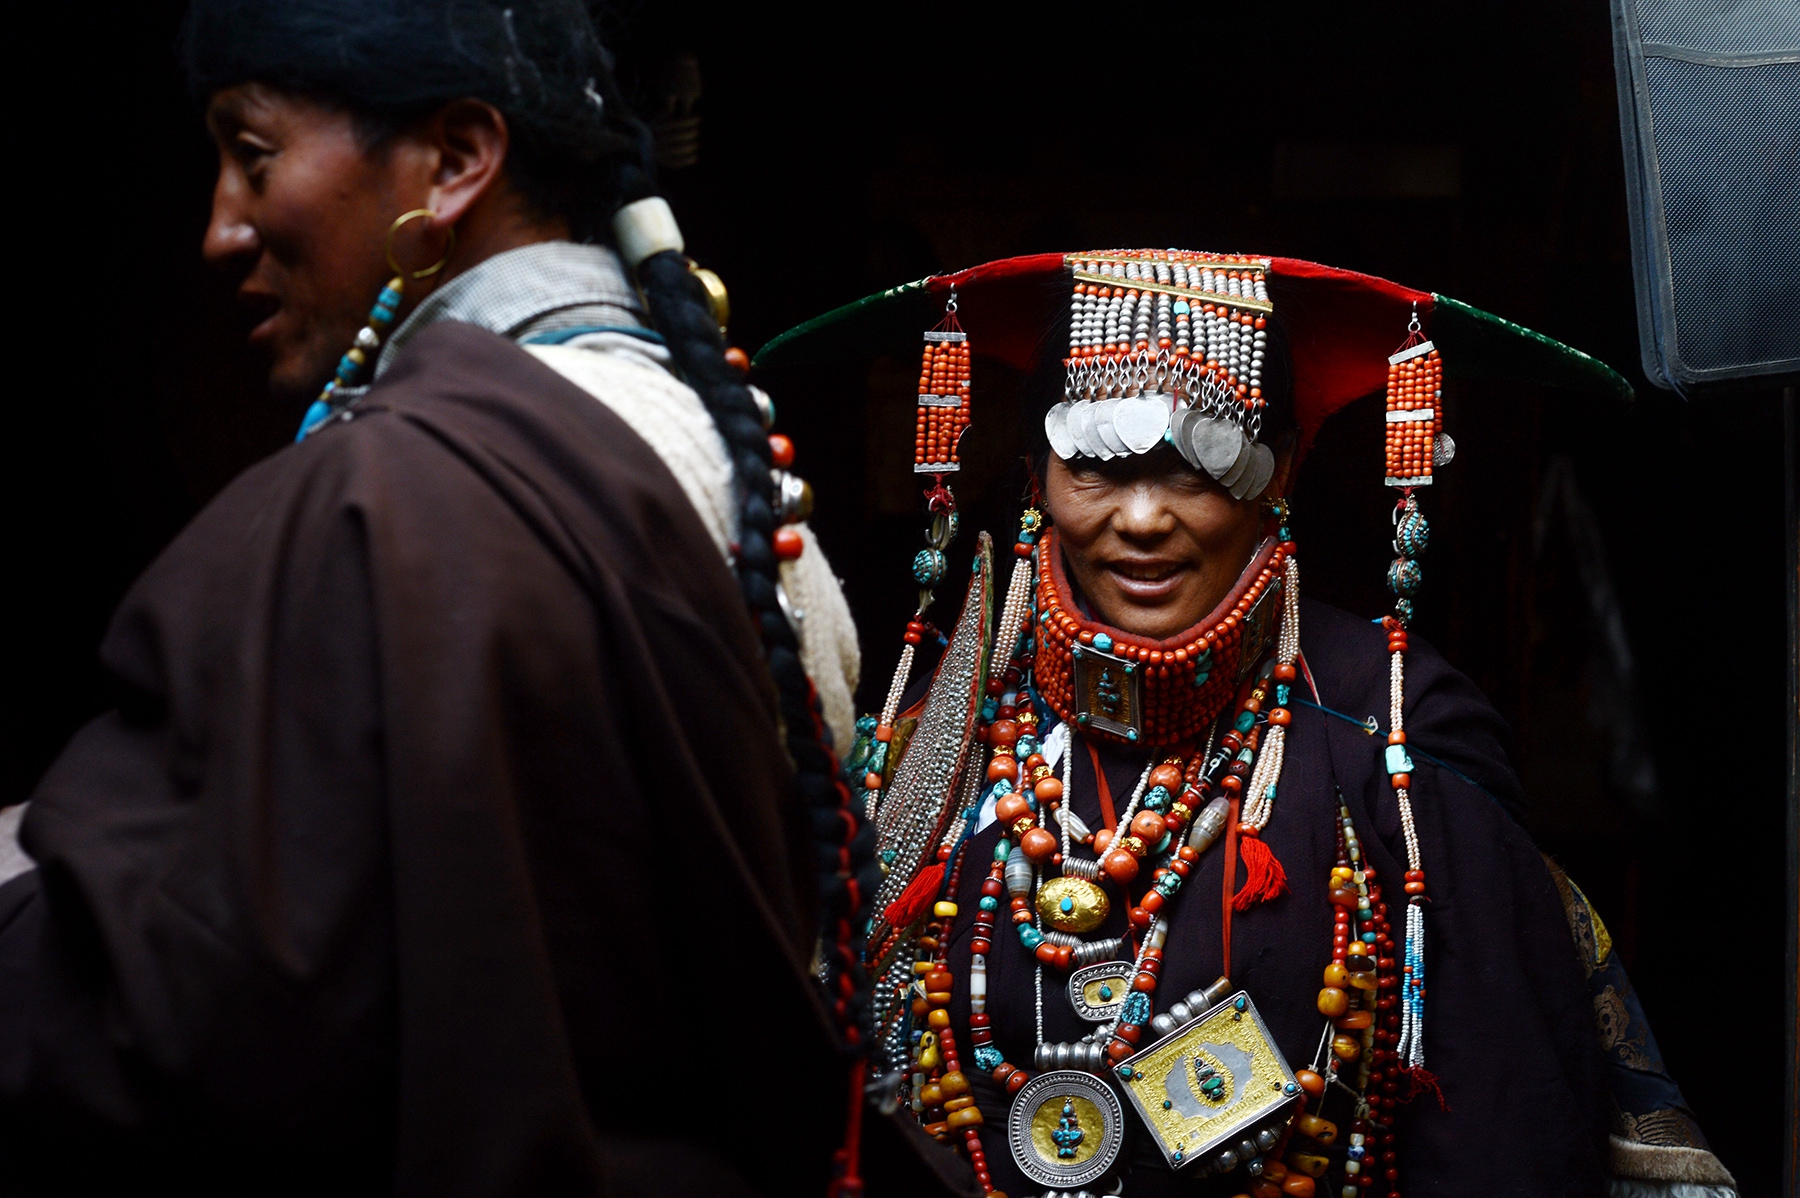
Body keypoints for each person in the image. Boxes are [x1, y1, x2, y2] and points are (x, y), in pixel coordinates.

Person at [0, 2, 895, 1194]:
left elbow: (226, 1018)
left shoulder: (406, 495)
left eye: (252, 154)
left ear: (459, 161)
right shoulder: (712, 448)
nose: (219, 226)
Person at [758, 250, 1739, 1197]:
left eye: (1198, 470)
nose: (1142, 519)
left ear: (1280, 475)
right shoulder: (954, 722)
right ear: (1036, 474)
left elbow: (1502, 1130)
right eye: (1096, 467)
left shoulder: (1385, 730)